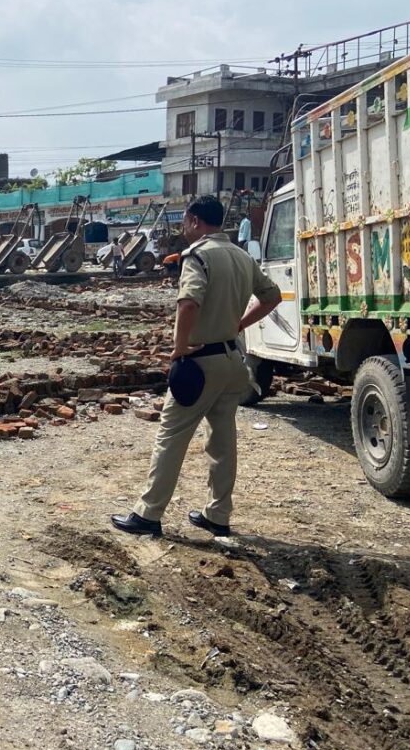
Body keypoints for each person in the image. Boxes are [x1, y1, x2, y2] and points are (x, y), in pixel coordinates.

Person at [110, 195, 282, 538]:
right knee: (222, 441)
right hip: (232, 362)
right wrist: (238, 325)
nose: (184, 228)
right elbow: (272, 297)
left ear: (195, 221)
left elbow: (188, 304)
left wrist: (178, 349)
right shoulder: (242, 257)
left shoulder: (198, 256)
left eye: (186, 221)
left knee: (170, 436)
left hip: (200, 363)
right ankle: (217, 515)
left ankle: (148, 513)